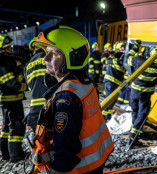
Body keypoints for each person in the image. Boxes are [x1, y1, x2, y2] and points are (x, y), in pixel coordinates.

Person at [29, 26, 114, 173]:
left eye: (53, 54)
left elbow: (66, 147)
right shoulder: (84, 83)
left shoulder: (65, 97)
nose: (45, 58)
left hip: (81, 168)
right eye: (46, 52)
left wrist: (58, 170)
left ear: (73, 58)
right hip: (97, 158)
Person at [127, 46, 157, 146]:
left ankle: (135, 135)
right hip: (144, 95)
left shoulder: (139, 61)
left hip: (134, 92)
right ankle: (133, 137)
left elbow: (128, 58)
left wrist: (135, 47)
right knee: (142, 115)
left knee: (135, 112)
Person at [0, 35, 27, 162]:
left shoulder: (7, 61)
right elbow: (12, 83)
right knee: (17, 126)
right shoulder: (3, 64)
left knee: (6, 128)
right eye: (8, 48)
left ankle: (6, 153)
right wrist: (24, 86)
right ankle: (16, 155)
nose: (11, 49)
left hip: (8, 101)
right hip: (12, 101)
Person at [24, 37, 48, 132]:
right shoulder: (49, 58)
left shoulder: (27, 65)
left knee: (40, 139)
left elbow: (29, 86)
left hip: (35, 107)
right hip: (49, 104)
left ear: (33, 49)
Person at [102, 42, 126, 120]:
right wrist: (118, 62)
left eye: (124, 47)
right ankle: (101, 118)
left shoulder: (125, 57)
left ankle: (107, 117)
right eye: (122, 47)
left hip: (117, 83)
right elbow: (108, 60)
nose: (123, 49)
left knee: (112, 102)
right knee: (108, 101)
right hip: (110, 81)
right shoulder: (116, 55)